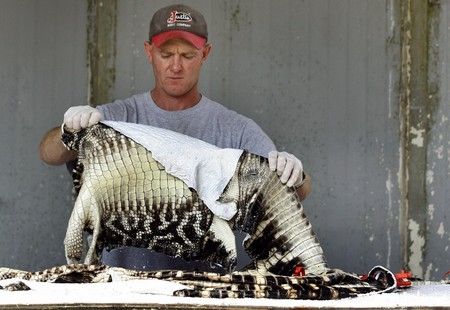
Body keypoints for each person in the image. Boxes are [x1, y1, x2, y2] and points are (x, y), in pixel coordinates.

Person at [39, 4, 312, 271]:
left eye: (188, 55)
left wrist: (296, 174)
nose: (176, 66)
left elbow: (291, 190)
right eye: (166, 54)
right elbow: (48, 153)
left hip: (204, 290)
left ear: (205, 53)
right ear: (149, 52)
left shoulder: (235, 129)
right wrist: (69, 129)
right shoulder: (116, 118)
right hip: (120, 287)